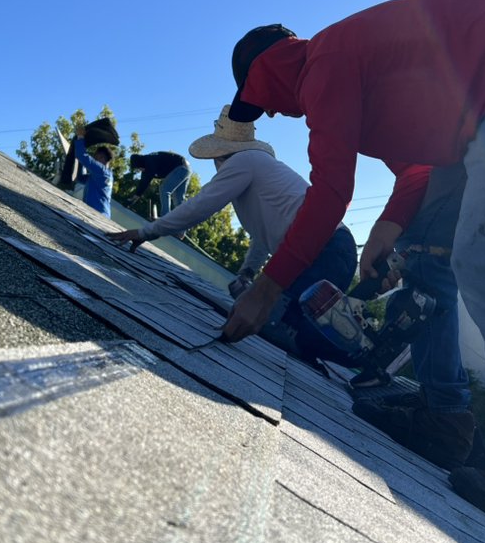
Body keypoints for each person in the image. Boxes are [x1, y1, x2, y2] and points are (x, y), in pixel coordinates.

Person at [222, 0, 485, 543]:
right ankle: (445, 416)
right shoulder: (355, 71)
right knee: (427, 253)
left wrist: (266, 288)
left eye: (259, 100)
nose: (271, 112)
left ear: (268, 71)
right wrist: (387, 232)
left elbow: (330, 192)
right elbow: (419, 170)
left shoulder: (323, 64)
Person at [107, 106, 357, 362]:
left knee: (271, 324)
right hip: (336, 249)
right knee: (297, 330)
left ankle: (363, 354)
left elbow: (201, 205)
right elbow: (263, 236)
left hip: (326, 251)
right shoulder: (259, 169)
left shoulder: (242, 162)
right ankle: (356, 347)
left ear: (221, 154)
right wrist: (248, 272)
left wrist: (147, 231)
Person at [128, 152, 191, 216]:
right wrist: (136, 196)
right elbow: (143, 182)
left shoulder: (149, 161)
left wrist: (135, 197)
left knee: (164, 189)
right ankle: (182, 220)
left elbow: (145, 181)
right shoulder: (147, 162)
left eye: (138, 167)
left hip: (180, 167)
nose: (139, 170)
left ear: (140, 163)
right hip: (186, 169)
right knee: (178, 200)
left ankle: (165, 216)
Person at [73, 125, 114, 217]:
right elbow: (80, 178)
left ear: (101, 157)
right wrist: (80, 162)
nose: (94, 160)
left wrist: (80, 137)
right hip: (100, 214)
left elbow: (82, 156)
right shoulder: (103, 175)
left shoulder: (101, 171)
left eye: (95, 157)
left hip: (97, 214)